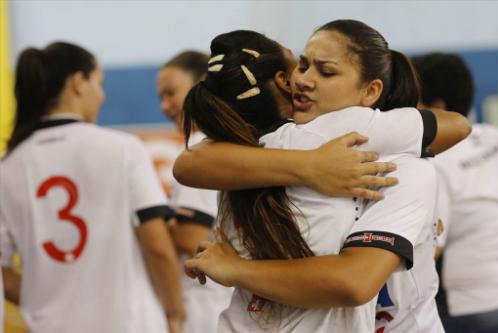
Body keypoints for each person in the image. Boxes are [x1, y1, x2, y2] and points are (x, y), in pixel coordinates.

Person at [178, 22, 470, 332]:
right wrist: (311, 165)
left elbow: (353, 281)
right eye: (302, 65)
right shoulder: (246, 151)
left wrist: (236, 269)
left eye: (326, 72)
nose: (303, 80)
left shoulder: (397, 162)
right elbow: (457, 125)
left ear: (370, 91)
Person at [0, 42, 184, 332]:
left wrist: (49, 301)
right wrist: (175, 312)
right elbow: (157, 246)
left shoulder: (8, 166)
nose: (102, 95)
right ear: (77, 82)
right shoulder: (123, 148)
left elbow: (3, 272)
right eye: (99, 83)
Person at [413, 52, 498, 333]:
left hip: (472, 307)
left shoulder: (436, 161)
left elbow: (432, 246)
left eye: (414, 104)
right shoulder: (495, 135)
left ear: (437, 108)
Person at [157, 50, 232, 333]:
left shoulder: (198, 151)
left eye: (171, 93)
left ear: (202, 85)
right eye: (160, 98)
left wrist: (152, 224)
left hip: (204, 305)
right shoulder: (225, 144)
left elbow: (193, 238)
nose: (165, 106)